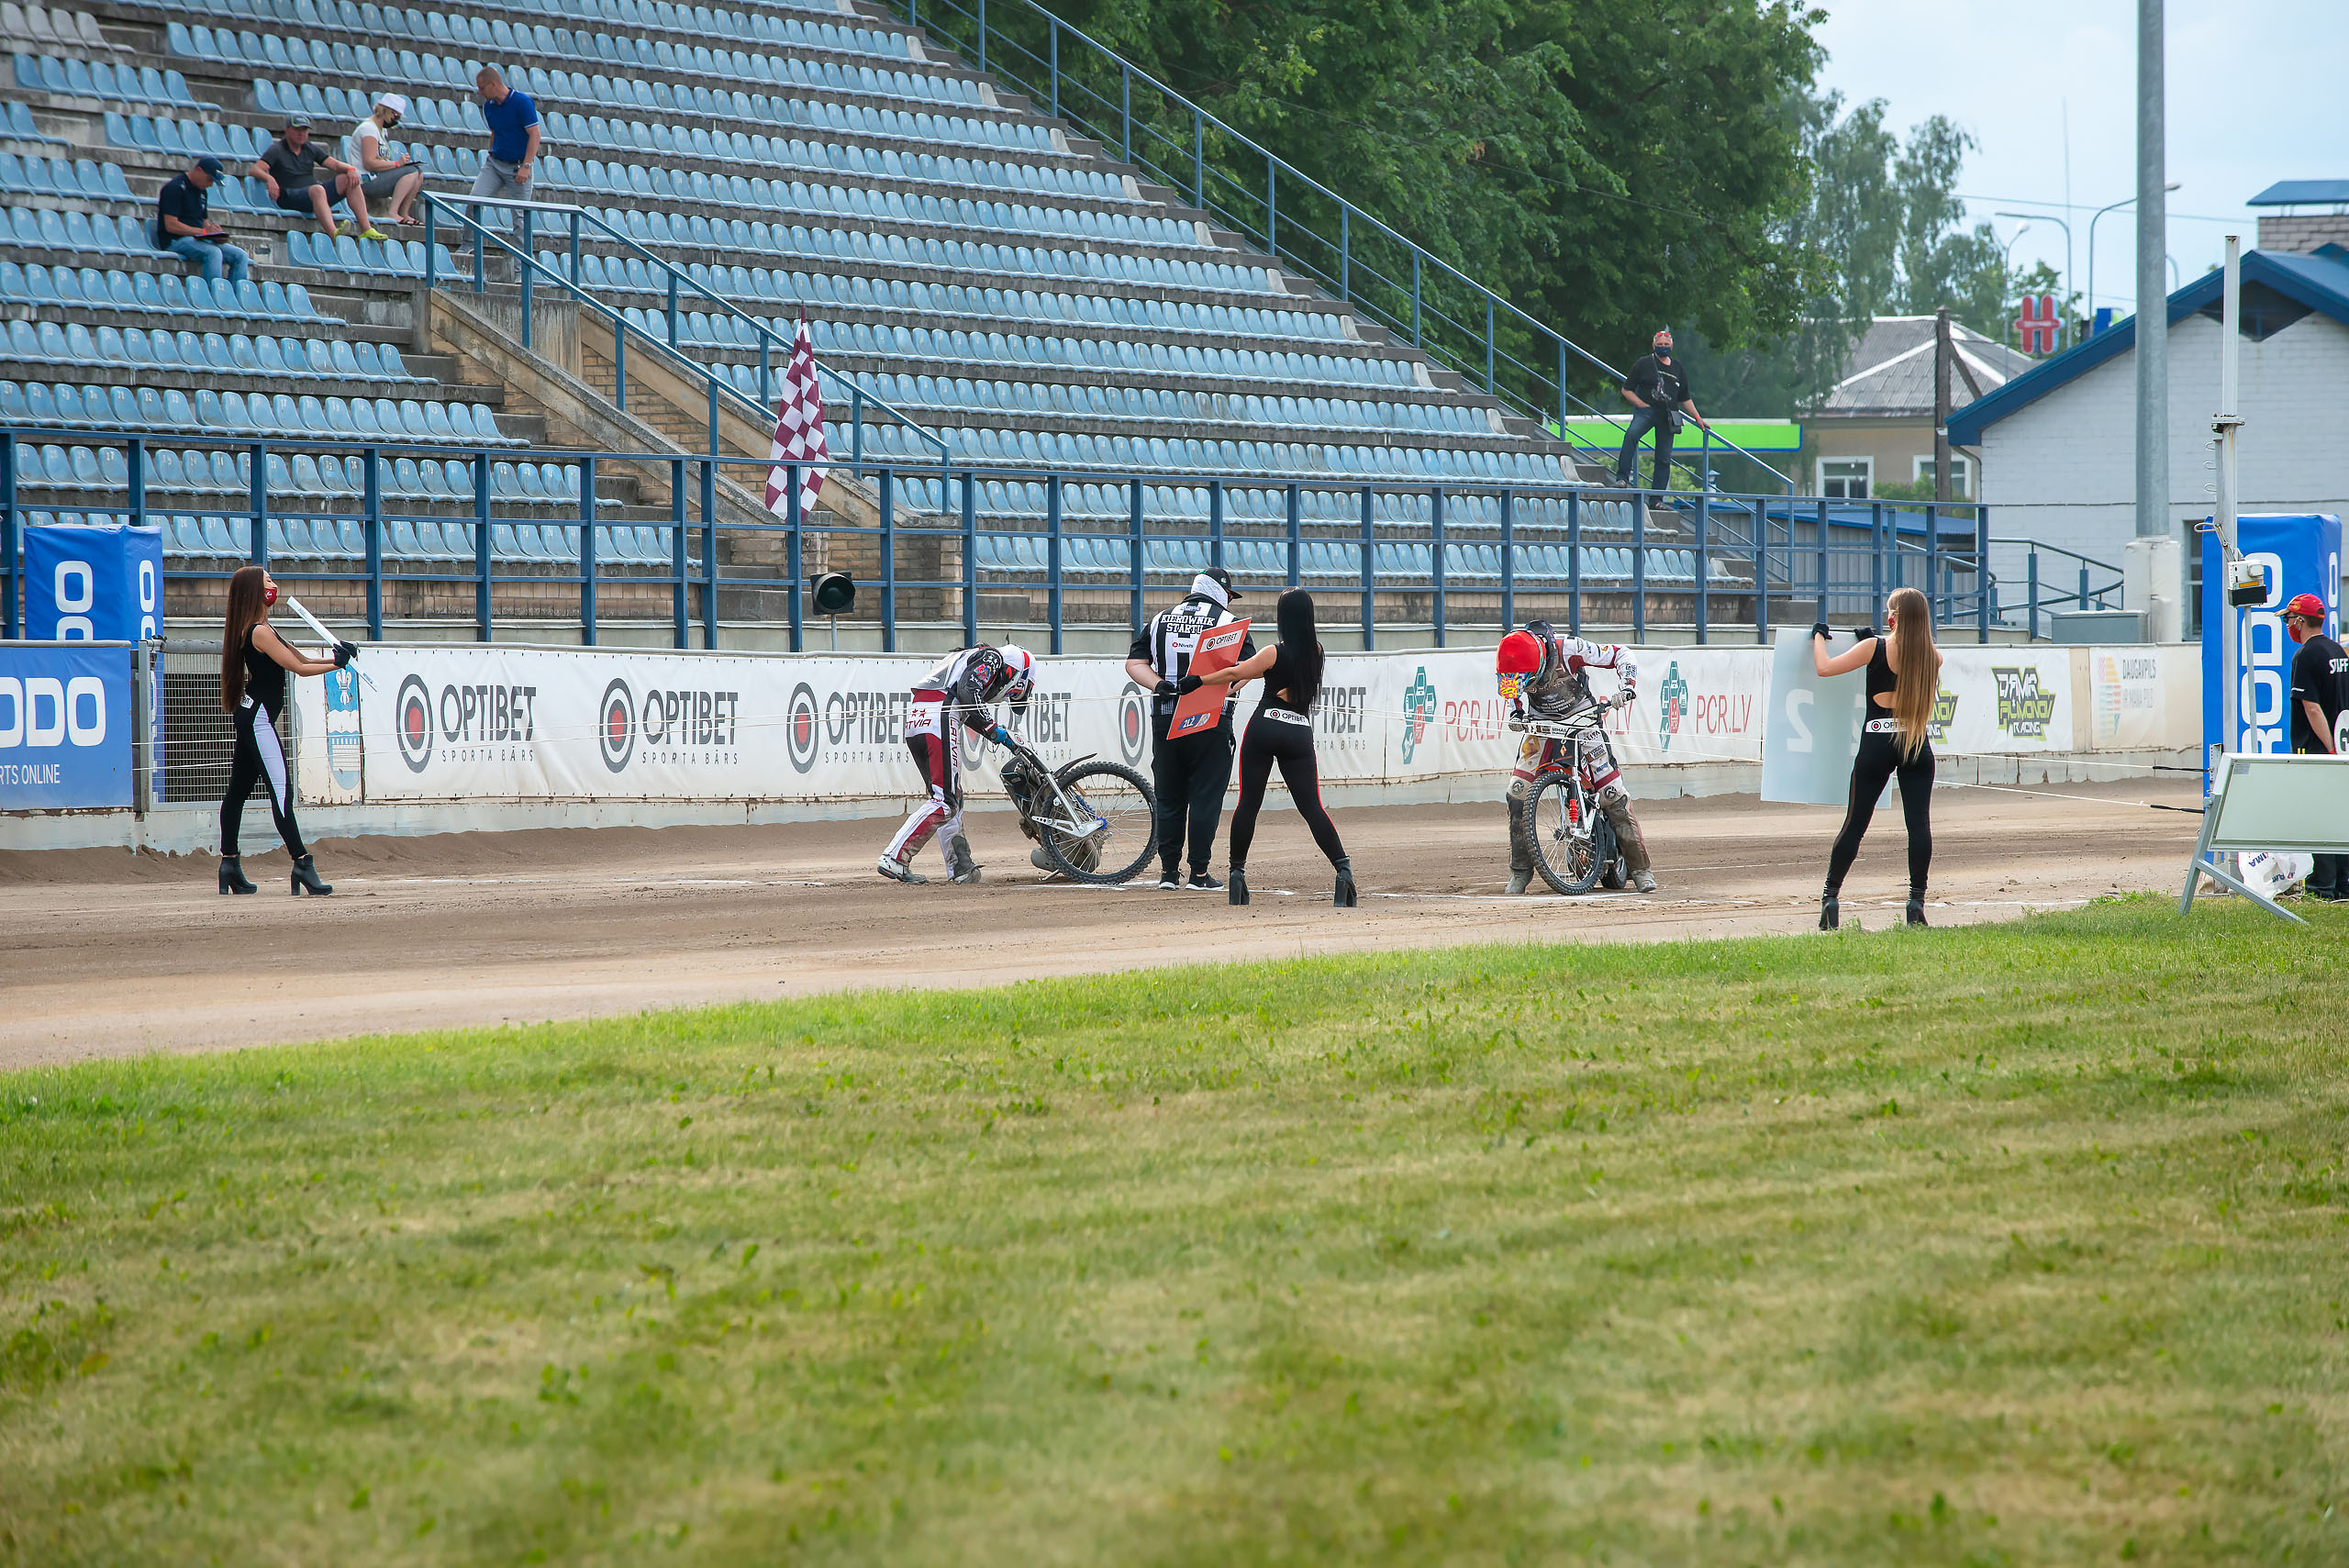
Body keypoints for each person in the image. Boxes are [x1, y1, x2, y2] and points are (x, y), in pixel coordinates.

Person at [1197, 588, 1353, 907]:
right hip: (1298, 732)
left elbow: (1234, 673)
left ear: (1283, 617)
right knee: (1313, 808)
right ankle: (1343, 870)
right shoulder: (1317, 651)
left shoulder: (1272, 652)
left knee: (1248, 805)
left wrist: (1195, 682)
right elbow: (1245, 678)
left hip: (1265, 726)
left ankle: (1237, 874)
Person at [1812, 584, 1941, 929]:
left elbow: (1824, 669)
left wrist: (1819, 638)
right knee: (1919, 826)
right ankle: (1916, 902)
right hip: (1915, 743)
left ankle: (1831, 897)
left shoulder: (1874, 647)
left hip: (1877, 741)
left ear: (1893, 617)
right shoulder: (1933, 656)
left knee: (1855, 823)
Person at [219, 564, 351, 896]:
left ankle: (229, 864)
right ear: (255, 592)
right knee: (281, 790)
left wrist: (338, 660)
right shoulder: (258, 632)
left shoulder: (264, 628)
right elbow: (299, 669)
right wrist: (336, 664)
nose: (273, 586)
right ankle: (302, 862)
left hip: (252, 716)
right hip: (258, 720)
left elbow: (304, 659)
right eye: (268, 581)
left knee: (238, 791)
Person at [1495, 623, 1655, 895]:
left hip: (1583, 719)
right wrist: (1516, 715)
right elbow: (1513, 697)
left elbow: (1622, 654)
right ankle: (1520, 871)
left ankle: (1640, 870)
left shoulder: (1569, 649)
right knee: (1517, 793)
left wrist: (1626, 688)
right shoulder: (1510, 661)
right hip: (1541, 725)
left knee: (1612, 793)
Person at [1126, 567, 1254, 890]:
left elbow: (1134, 664)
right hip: (1211, 719)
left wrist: (1160, 686)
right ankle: (1199, 873)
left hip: (1166, 718)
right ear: (1220, 592)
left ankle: (1169, 873)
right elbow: (1248, 669)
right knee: (1205, 797)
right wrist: (1220, 691)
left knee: (1169, 797)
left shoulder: (1158, 620)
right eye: (1228, 595)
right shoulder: (1230, 623)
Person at [877, 642, 1036, 885]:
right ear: (1017, 676)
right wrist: (994, 729)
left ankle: (960, 867)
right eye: (1013, 693)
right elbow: (968, 691)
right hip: (940, 717)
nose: (1006, 697)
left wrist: (997, 733)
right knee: (945, 801)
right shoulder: (992, 657)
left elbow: (967, 703)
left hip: (919, 718)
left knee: (950, 797)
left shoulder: (968, 657)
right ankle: (894, 857)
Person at [2284, 591, 2347, 901]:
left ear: (2300, 620)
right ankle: (2344, 885)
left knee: (2318, 817)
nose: (2287, 625)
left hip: (2319, 749)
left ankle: (2323, 887)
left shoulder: (2306, 655)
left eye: (2288, 619)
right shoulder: (2338, 651)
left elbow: (2311, 707)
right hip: (2342, 745)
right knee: (2340, 816)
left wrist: (2330, 748)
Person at [250, 114, 384, 241]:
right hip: (289, 196)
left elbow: (335, 165)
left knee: (347, 179)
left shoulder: (309, 148)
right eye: (297, 129)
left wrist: (350, 169)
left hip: (312, 195)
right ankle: (334, 235)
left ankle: (366, 229)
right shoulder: (277, 150)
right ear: (288, 130)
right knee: (318, 190)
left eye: (304, 130)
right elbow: (255, 169)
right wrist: (269, 179)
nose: (302, 133)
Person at [1615, 328, 1709, 494]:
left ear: (1671, 346)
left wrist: (1697, 418)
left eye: (1666, 344)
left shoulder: (1678, 367)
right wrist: (1641, 404)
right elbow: (1626, 390)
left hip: (1669, 416)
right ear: (1653, 345)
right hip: (1647, 412)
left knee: (1664, 458)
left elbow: (1685, 398)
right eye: (1660, 344)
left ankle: (1657, 498)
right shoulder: (1643, 363)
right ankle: (1622, 478)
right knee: (1631, 436)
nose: (1663, 347)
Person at [153, 154, 247, 284]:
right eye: (209, 179)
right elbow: (171, 225)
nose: (210, 185)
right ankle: (214, 296)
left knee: (240, 255)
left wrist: (214, 233)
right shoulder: (174, 188)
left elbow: (204, 222)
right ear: (199, 171)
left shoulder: (202, 191)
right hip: (175, 240)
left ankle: (238, 298)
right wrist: (203, 233)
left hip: (197, 239)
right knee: (213, 253)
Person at [348, 93, 425, 227]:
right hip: (365, 180)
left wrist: (399, 164)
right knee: (411, 172)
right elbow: (369, 163)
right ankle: (392, 212)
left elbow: (381, 159)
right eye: (396, 116)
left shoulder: (382, 131)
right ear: (387, 112)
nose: (396, 120)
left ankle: (403, 213)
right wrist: (397, 164)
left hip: (377, 176)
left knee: (419, 173)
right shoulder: (369, 129)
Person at [472, 67, 540, 217]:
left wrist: (526, 165)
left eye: (482, 88)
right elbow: (495, 131)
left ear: (493, 84)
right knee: (474, 201)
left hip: (518, 165)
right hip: (495, 164)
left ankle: (520, 243)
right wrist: (491, 155)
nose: (480, 92)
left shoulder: (522, 102)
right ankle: (469, 242)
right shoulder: (489, 106)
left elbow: (535, 135)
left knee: (521, 216)